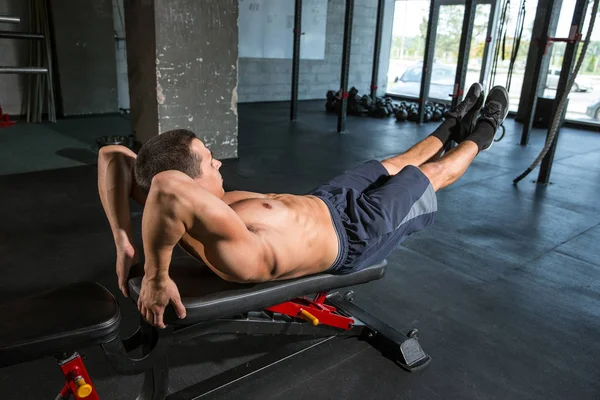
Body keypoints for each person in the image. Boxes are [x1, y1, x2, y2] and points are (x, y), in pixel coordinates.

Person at [98, 83, 509, 329]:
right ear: (189, 183)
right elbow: (168, 185)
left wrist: (123, 242)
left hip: (326, 200)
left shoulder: (194, 201)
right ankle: (488, 128)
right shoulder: (219, 236)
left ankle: (454, 122)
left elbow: (111, 156)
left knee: (397, 162)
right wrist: (156, 274)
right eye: (209, 159)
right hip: (357, 234)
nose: (218, 162)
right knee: (429, 175)